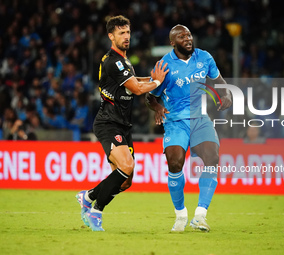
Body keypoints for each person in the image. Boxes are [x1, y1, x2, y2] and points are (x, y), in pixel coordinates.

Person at [75, 15, 169, 231]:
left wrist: (154, 79)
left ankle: (88, 196)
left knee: (125, 181)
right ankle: (96, 213)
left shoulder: (124, 61)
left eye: (127, 32)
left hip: (123, 125)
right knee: (126, 166)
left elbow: (134, 83)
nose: (126, 37)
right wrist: (156, 81)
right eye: (121, 33)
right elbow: (136, 90)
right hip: (108, 122)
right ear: (111, 36)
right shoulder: (113, 61)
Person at [146, 25, 232, 232]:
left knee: (212, 157)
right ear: (172, 42)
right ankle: (180, 215)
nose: (188, 38)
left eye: (189, 35)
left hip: (200, 118)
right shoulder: (164, 65)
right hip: (176, 121)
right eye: (182, 36)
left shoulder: (204, 58)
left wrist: (227, 95)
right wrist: (158, 108)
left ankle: (200, 216)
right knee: (175, 163)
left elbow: (219, 82)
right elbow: (150, 96)